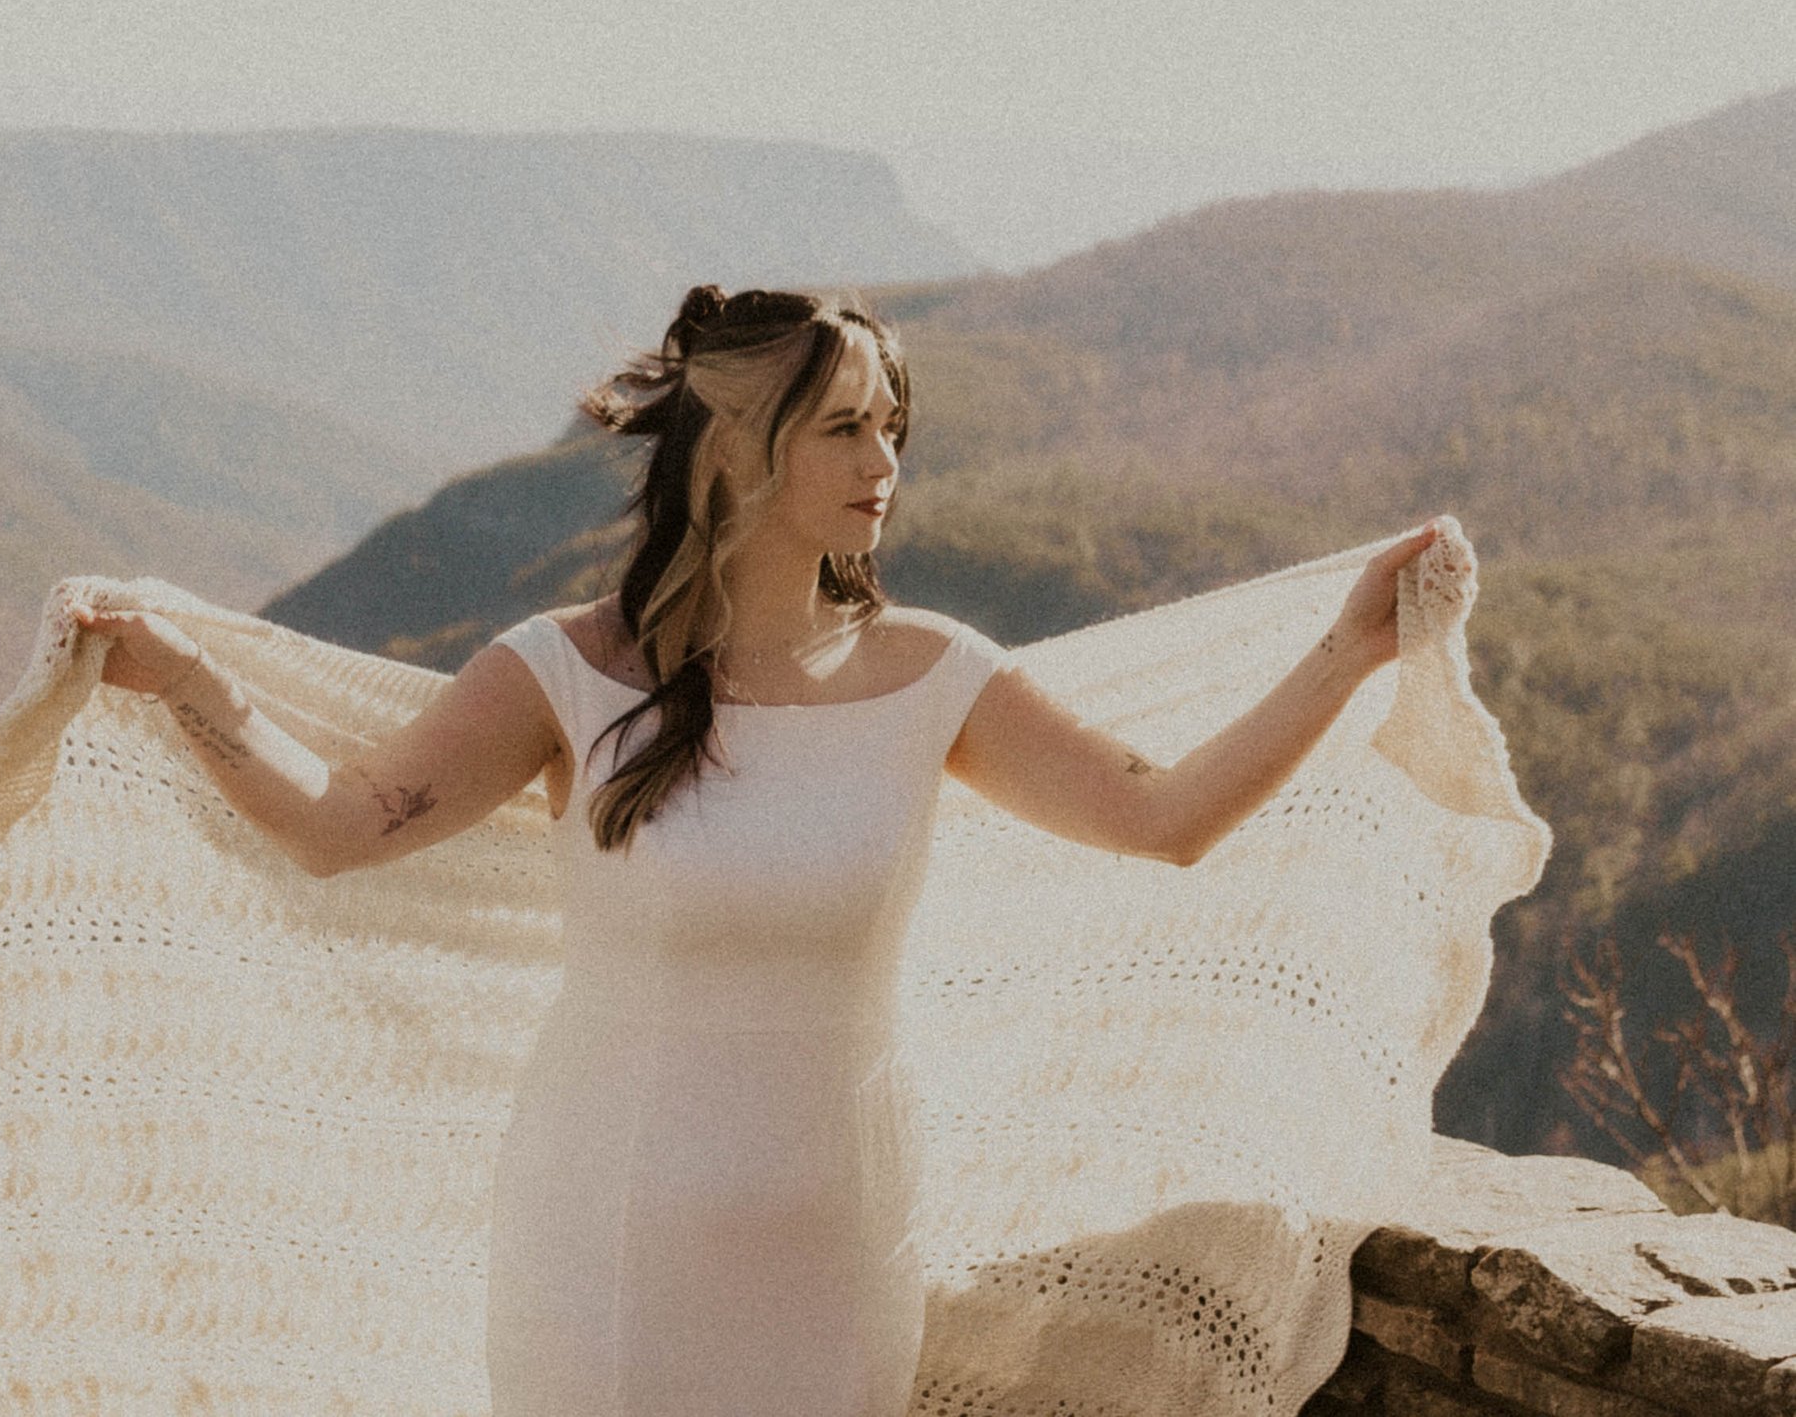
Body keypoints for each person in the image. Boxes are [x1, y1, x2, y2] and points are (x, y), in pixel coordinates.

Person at [70, 283, 1440, 1417]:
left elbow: (1167, 818)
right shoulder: (565, 672)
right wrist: (187, 677)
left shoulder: (933, 676)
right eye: (844, 430)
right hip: (605, 1244)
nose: (883, 465)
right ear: (731, 444)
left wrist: (1351, 649)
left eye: (890, 428)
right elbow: (337, 827)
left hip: (837, 1246)